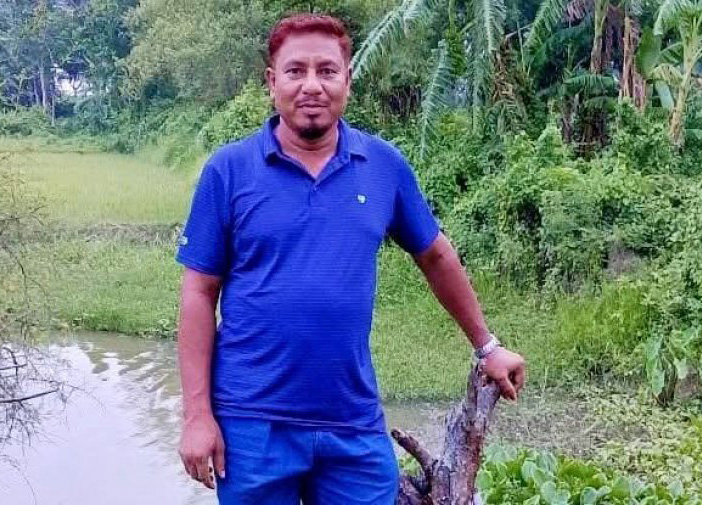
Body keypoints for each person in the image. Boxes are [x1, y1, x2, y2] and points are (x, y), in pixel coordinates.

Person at [175, 13, 526, 505]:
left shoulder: (383, 166)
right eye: (295, 71)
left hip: (352, 422)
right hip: (251, 426)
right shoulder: (229, 171)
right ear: (272, 82)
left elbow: (435, 256)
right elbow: (198, 293)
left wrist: (488, 347)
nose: (311, 85)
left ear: (348, 80)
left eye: (327, 70)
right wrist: (197, 416)